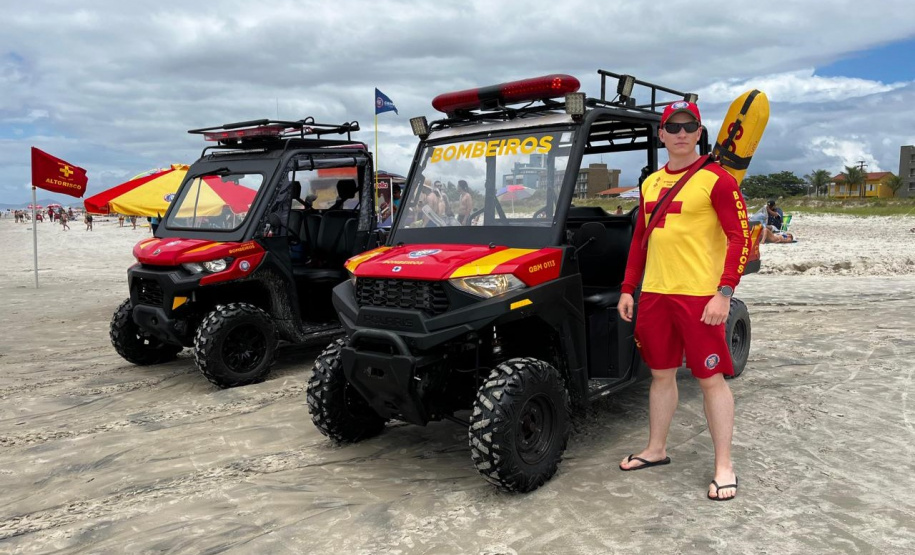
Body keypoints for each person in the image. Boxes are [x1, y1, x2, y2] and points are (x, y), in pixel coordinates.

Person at [617, 100, 748, 501]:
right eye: (672, 127)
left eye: (688, 126)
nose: (680, 134)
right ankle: (656, 450)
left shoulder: (717, 180)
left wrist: (724, 293)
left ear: (699, 132)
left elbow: (739, 238)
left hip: (700, 298)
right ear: (661, 134)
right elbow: (641, 239)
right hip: (655, 295)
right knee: (660, 375)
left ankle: (724, 465)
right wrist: (628, 287)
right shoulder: (650, 183)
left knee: (710, 379)